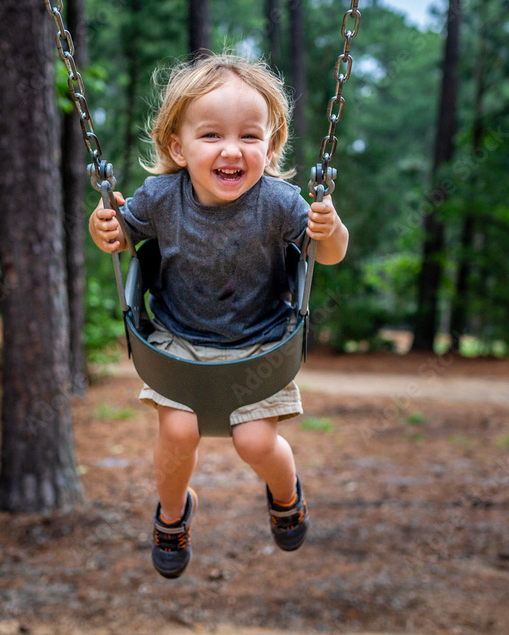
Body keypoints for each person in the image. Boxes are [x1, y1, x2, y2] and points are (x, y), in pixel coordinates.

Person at [88, 52, 348, 579]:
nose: (232, 150)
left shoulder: (281, 203)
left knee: (255, 441)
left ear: (270, 147)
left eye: (250, 136)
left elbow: (330, 253)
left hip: (261, 341)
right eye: (211, 136)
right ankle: (172, 512)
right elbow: (122, 236)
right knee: (178, 433)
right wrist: (105, 228)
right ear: (176, 147)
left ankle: (285, 492)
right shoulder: (161, 197)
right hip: (178, 339)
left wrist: (330, 227)